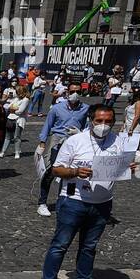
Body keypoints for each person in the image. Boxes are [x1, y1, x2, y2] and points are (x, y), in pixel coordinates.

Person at [37, 104, 138, 279]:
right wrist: (75, 172)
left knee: (89, 246)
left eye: (108, 121)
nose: (104, 125)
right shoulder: (75, 141)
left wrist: (130, 168)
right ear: (91, 121)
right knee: (60, 244)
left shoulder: (118, 142)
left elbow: (119, 168)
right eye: (99, 121)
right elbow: (56, 170)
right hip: (73, 201)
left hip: (102, 203)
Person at [35, 83, 89, 216]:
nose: (74, 94)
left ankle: (63, 202)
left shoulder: (86, 109)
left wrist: (80, 132)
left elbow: (88, 127)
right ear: (67, 92)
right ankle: (42, 202)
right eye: (72, 91)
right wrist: (42, 142)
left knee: (70, 173)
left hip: (75, 141)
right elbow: (48, 125)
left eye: (77, 91)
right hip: (57, 140)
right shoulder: (57, 108)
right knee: (51, 171)